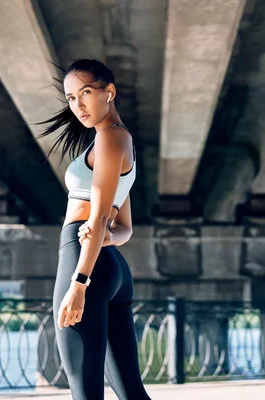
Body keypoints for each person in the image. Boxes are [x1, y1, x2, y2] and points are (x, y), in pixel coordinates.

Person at [38, 58, 151, 400]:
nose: (78, 105)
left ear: (109, 92)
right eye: (71, 98)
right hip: (112, 265)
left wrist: (79, 283)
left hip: (85, 264)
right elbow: (123, 228)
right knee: (131, 392)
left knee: (84, 390)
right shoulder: (120, 141)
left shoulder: (109, 139)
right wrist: (104, 237)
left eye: (85, 92)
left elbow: (100, 215)